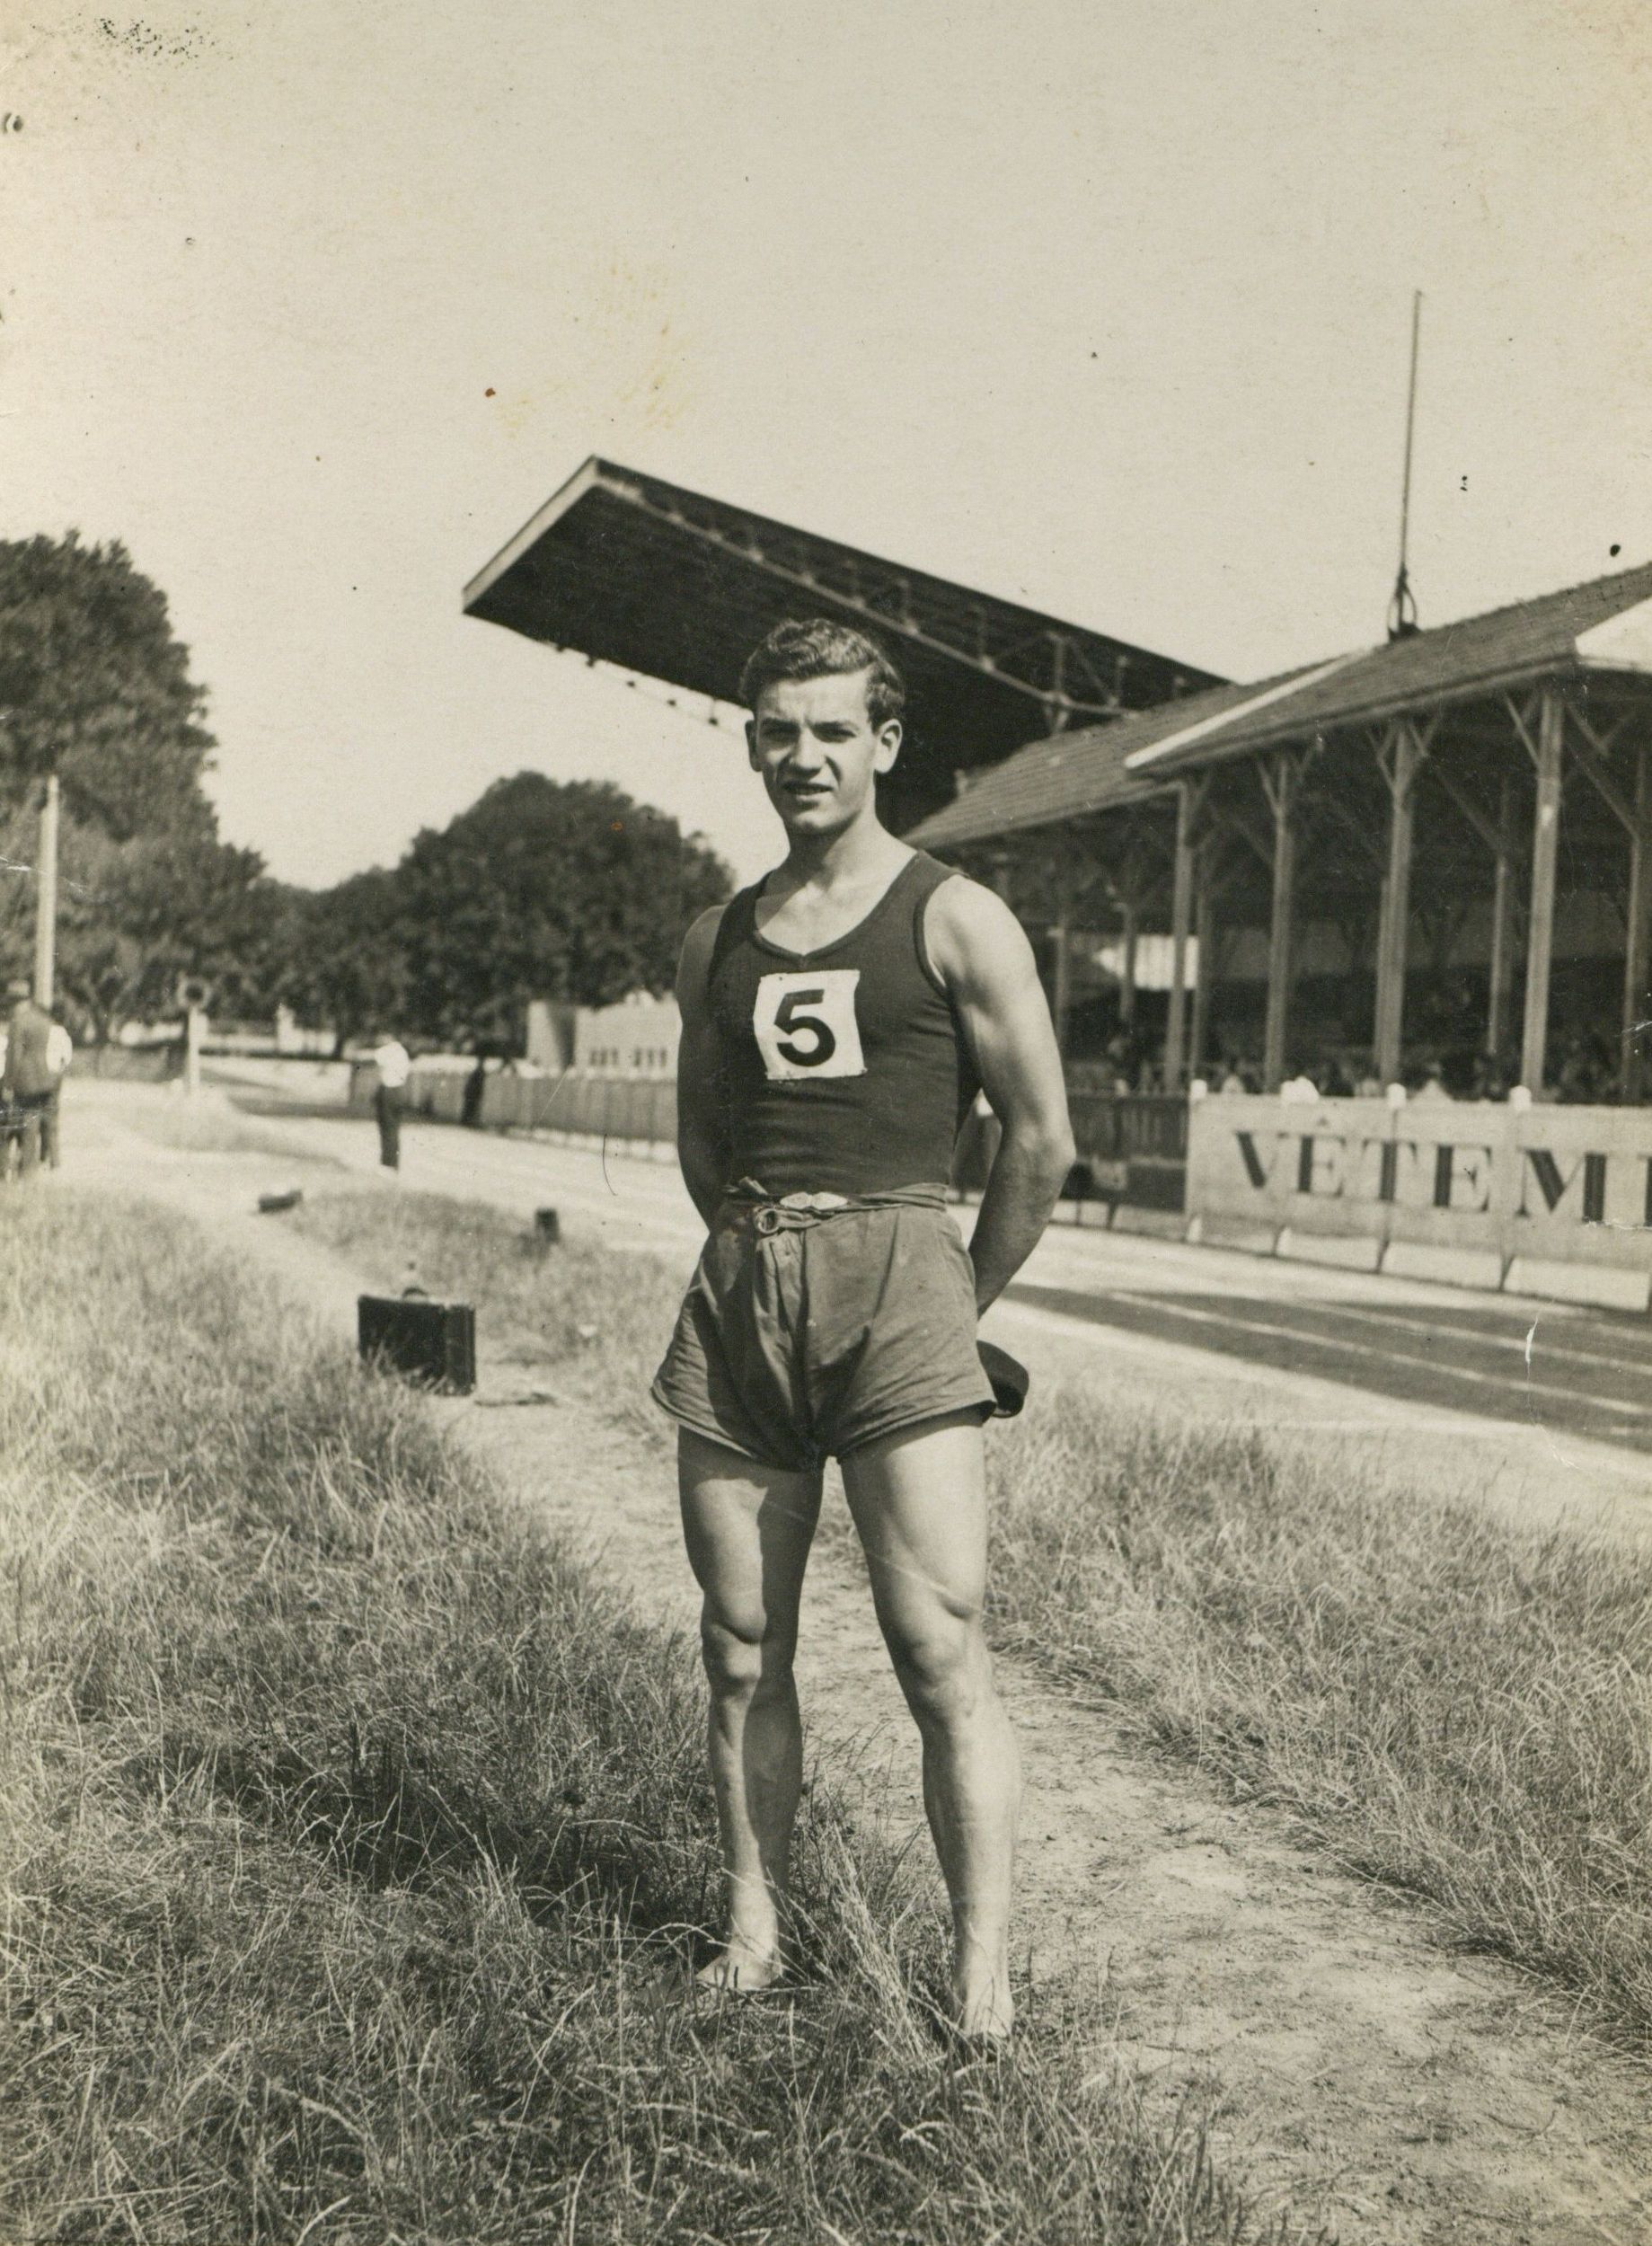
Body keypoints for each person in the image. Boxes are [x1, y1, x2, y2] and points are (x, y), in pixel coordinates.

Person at [653, 619, 1074, 2039]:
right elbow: (704, 1143)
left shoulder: (952, 913)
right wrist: (771, 1252)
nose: (803, 756)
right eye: (778, 729)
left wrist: (950, 1299)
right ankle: (753, 1928)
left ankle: (978, 1977)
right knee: (737, 1641)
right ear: (751, 740)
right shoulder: (716, 935)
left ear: (883, 745)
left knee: (936, 1645)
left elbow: (1039, 1141)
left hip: (904, 1289)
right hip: (744, 1298)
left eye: (832, 730)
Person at [3, 981, 58, 1175]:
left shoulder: (18, 1022)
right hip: (44, 1081)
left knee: (15, 1126)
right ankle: (30, 1171)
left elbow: (14, 1056)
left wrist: (8, 1084)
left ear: (14, 1002)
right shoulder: (43, 1020)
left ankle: (22, 1172)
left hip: (24, 1082)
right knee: (33, 1126)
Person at [371, 1030, 411, 1169]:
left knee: (386, 1127)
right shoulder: (402, 1052)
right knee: (394, 1127)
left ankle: (387, 1162)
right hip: (399, 1090)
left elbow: (378, 1067)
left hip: (388, 1090)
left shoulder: (386, 1051)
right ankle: (393, 1162)